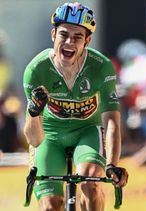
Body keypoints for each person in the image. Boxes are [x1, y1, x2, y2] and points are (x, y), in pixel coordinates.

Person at [23, 2, 128, 211]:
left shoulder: (101, 67)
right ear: (53, 35)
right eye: (64, 34)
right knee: (50, 206)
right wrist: (34, 112)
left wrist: (111, 165)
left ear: (87, 41)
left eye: (77, 37)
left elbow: (112, 122)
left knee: (91, 184)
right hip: (49, 136)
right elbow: (34, 138)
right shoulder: (36, 70)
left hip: (86, 131)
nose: (69, 42)